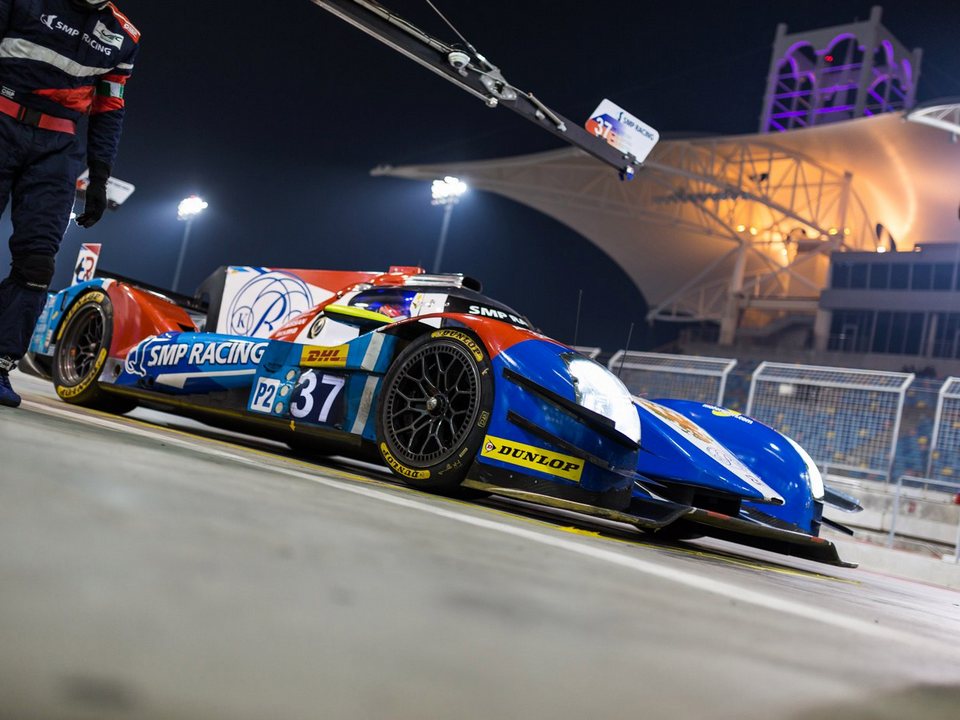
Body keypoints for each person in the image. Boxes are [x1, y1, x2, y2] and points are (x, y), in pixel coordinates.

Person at [0, 0, 138, 408]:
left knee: (37, 265)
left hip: (58, 148)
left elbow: (109, 108)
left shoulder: (124, 36)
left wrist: (100, 177)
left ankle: (0, 363)